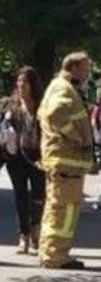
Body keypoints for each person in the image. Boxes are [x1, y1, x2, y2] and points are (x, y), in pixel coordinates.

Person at [38, 52, 95, 269]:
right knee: (63, 211)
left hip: (63, 162)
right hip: (66, 162)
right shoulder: (63, 88)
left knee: (57, 208)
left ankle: (51, 253)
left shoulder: (59, 86)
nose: (88, 72)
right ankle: (56, 256)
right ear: (74, 68)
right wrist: (77, 137)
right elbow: (56, 114)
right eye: (85, 68)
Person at [2, 67, 46, 254]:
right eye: (19, 81)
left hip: (38, 156)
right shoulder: (9, 106)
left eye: (25, 81)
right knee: (20, 195)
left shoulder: (42, 106)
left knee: (38, 194)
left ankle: (35, 228)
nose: (21, 85)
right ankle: (23, 236)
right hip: (16, 157)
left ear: (33, 84)